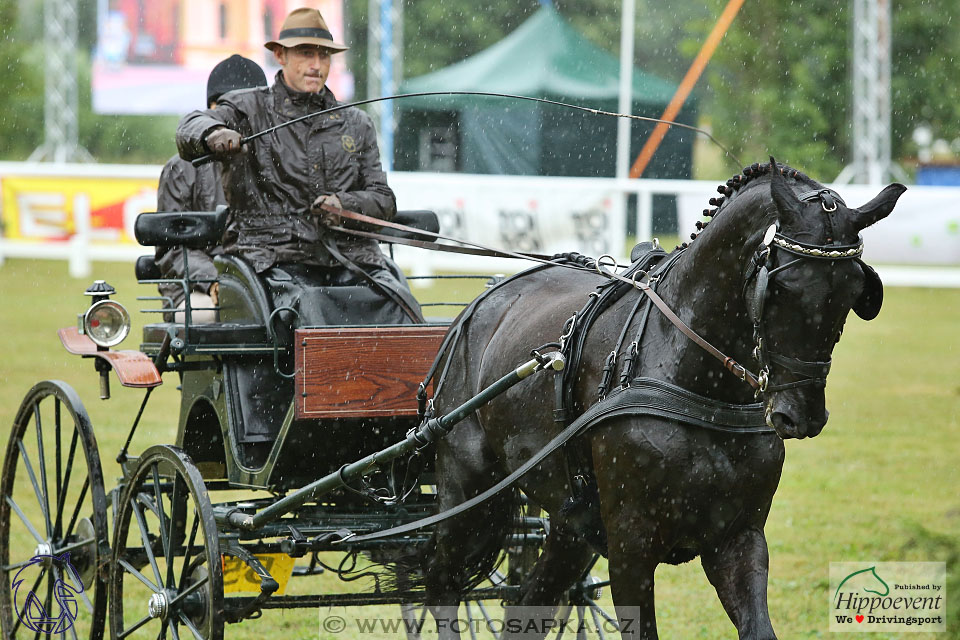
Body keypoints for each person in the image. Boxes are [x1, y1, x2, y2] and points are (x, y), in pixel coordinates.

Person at [175, 7, 422, 327]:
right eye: (306, 54)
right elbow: (190, 126)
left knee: (403, 307)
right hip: (273, 262)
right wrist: (214, 134)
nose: (316, 65)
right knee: (310, 309)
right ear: (280, 55)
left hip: (353, 260)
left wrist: (343, 205)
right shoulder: (247, 109)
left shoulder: (355, 122)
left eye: (324, 55)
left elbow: (383, 199)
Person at [156, 54, 267, 322]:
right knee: (204, 317)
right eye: (231, 107)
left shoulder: (277, 161)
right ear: (212, 110)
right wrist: (216, 281)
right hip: (195, 288)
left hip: (265, 283)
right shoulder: (180, 169)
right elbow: (172, 250)